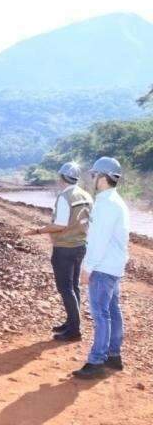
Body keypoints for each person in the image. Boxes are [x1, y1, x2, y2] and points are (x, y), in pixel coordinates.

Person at [73, 157, 129, 379]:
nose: (93, 178)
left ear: (104, 178)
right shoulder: (117, 202)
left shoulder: (106, 204)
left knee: (100, 314)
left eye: (95, 175)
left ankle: (96, 361)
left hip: (103, 266)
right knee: (112, 311)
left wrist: (87, 268)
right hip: (114, 265)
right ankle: (114, 356)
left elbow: (100, 241)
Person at [25, 162, 93, 341]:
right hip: (80, 246)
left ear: (62, 177)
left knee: (65, 288)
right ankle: (72, 322)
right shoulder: (85, 195)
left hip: (65, 248)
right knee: (73, 287)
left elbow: (60, 225)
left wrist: (38, 231)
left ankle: (74, 330)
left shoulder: (64, 196)